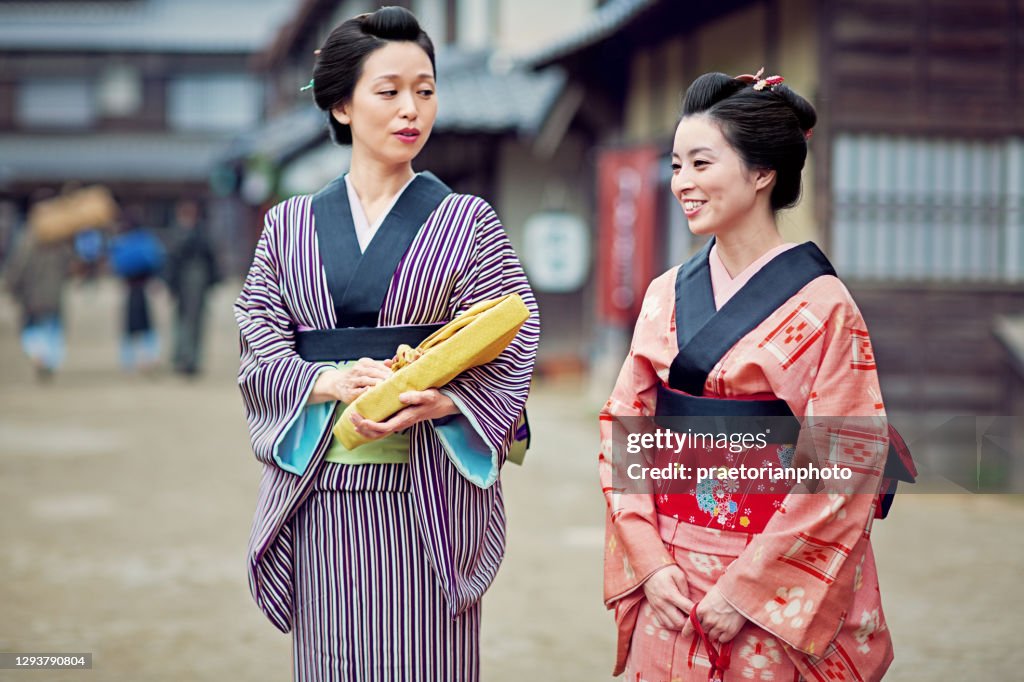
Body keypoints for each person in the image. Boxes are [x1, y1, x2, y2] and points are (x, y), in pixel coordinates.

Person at [234, 8, 538, 681]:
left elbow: (513, 336)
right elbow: (258, 331)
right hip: (323, 490)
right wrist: (323, 381)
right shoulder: (288, 225)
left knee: (426, 659)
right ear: (340, 105)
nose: (412, 109)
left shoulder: (468, 221)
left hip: (424, 495)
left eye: (425, 91)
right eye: (389, 90)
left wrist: (443, 400)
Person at [599, 70, 894, 681]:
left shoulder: (824, 306)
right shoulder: (664, 294)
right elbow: (624, 426)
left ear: (763, 174)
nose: (683, 183)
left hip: (768, 583)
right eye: (677, 165)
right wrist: (650, 563)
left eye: (702, 163)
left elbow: (848, 459)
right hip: (672, 578)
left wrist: (747, 591)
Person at [3, 228, 72, 381]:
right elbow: (69, 269)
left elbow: (17, 272)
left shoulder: (27, 249)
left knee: (31, 331)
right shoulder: (60, 250)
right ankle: (51, 361)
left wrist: (12, 289)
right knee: (53, 331)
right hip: (54, 299)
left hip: (32, 299)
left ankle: (40, 357)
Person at [166, 199, 221, 376]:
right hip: (182, 281)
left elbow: (211, 258)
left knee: (195, 322)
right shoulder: (177, 232)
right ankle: (181, 357)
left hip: (197, 280)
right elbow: (171, 261)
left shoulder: (201, 233)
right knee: (182, 321)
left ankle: (192, 359)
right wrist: (170, 283)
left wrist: (213, 281)